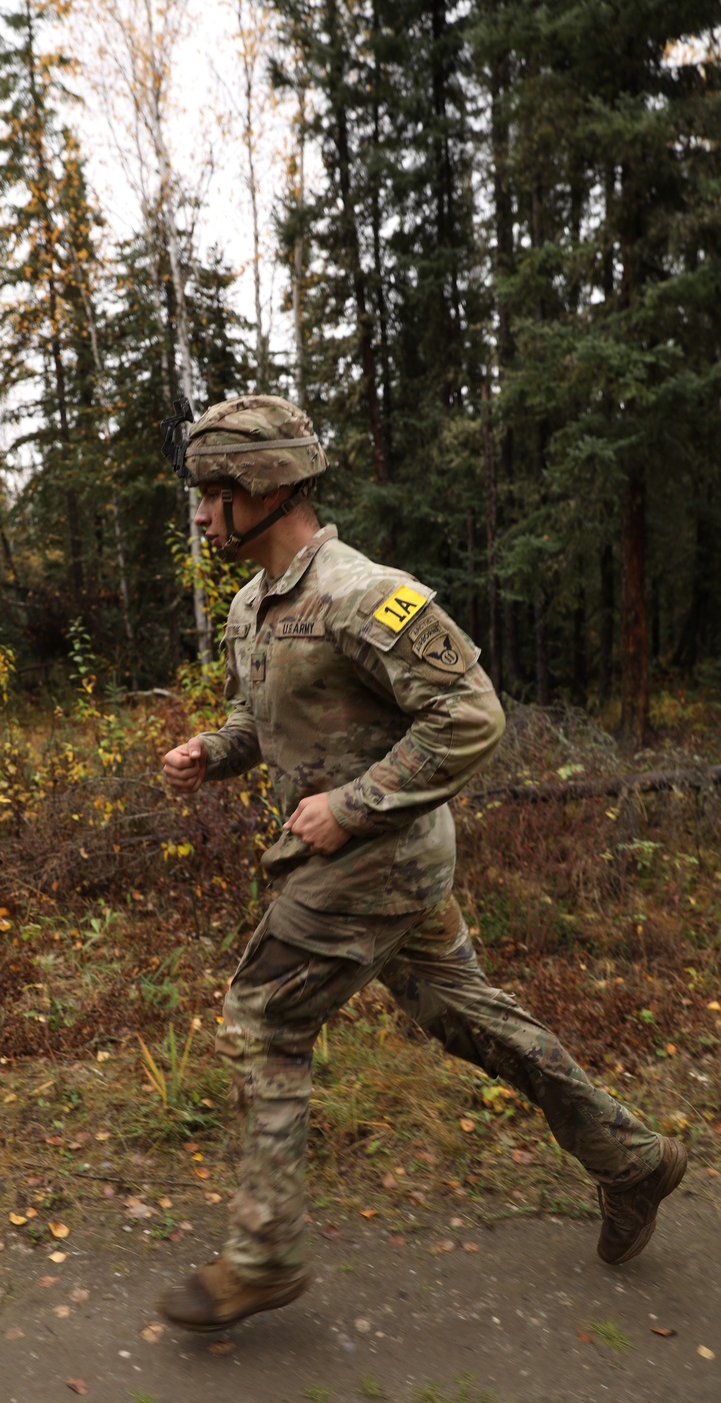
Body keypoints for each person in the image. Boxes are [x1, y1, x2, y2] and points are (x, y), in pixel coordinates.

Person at [156, 393, 687, 1334]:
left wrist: (354, 805)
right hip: (381, 872)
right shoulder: (253, 604)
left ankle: (266, 1253)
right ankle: (632, 1159)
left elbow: (473, 716)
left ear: (266, 488)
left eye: (211, 494)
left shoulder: (364, 595)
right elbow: (265, 719)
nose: (200, 514)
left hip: (374, 868)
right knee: (470, 1020)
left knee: (263, 1015)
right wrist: (215, 748)